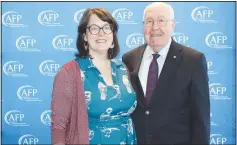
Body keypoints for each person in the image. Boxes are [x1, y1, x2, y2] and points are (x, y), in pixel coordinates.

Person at [122, 2, 210, 144]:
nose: (155, 27)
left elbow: (201, 118)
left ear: (173, 25)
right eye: (149, 21)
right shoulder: (129, 58)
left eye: (161, 21)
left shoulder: (193, 60)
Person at [51, 8, 137, 145]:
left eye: (106, 28)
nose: (101, 33)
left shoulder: (122, 68)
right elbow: (59, 127)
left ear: (113, 34)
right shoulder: (69, 73)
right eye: (94, 28)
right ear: (84, 35)